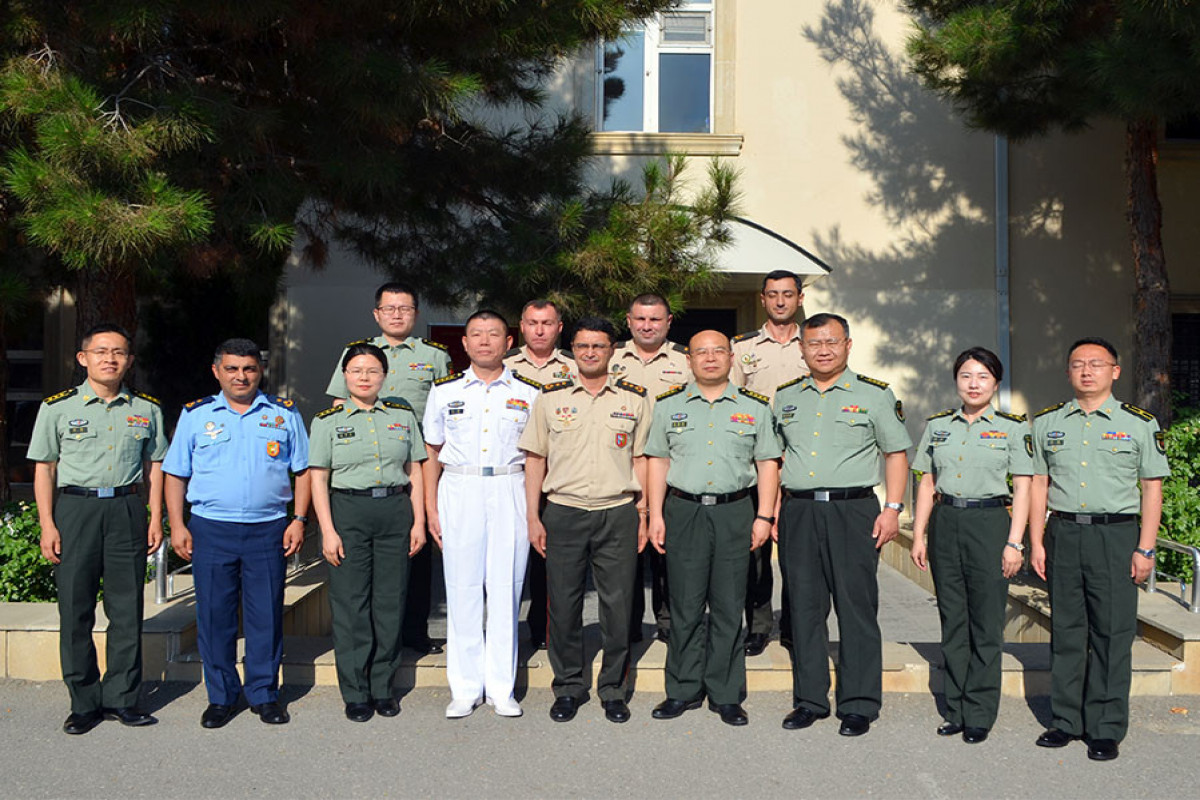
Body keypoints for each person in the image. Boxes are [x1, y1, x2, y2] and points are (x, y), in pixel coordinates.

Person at [1028, 337, 1168, 762]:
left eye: (1096, 364)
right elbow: (1039, 485)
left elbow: (1152, 487)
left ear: (1115, 371)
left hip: (1116, 536)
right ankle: (1066, 720)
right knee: (1068, 631)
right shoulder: (1049, 422)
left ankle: (1106, 727)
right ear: (1068, 372)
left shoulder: (1139, 424)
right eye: (1077, 364)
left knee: (1112, 633)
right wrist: (1036, 540)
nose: (1086, 371)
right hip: (1064, 533)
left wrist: (1145, 548)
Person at [773, 312, 912, 737]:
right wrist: (776, 509)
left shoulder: (874, 395)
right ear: (801, 349)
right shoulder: (785, 398)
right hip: (799, 510)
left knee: (856, 607)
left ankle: (858, 703)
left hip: (853, 511)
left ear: (848, 345)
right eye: (814, 343)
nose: (823, 350)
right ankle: (810, 700)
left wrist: (892, 508)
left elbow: (896, 454)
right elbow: (776, 459)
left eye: (832, 342)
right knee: (805, 609)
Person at [28, 324, 168, 735]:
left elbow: (155, 466)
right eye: (102, 351)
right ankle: (84, 702)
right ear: (82, 358)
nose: (110, 359)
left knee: (127, 610)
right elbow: (44, 468)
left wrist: (154, 516)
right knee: (75, 610)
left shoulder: (147, 409)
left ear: (129, 360)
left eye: (119, 352)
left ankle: (123, 699)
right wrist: (47, 523)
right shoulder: (57, 408)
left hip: (126, 507)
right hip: (75, 510)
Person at [164, 338, 310, 729]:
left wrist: (298, 519)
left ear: (259, 371)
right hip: (212, 528)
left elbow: (304, 471)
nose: (240, 376)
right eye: (232, 368)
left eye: (248, 369)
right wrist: (177, 525)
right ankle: (222, 696)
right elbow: (175, 473)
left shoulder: (283, 414)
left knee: (266, 615)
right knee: (214, 617)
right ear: (217, 372)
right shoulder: (196, 415)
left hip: (268, 529)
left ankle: (264, 694)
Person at [645, 330, 781, 727]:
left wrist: (765, 516)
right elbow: (657, 462)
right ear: (688, 359)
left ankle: (725, 693)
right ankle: (683, 689)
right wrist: (655, 515)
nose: (709, 358)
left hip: (734, 512)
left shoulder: (754, 407)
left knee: (728, 605)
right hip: (683, 511)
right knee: (684, 605)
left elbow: (767, 464)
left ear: (731, 357)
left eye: (717, 351)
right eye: (700, 352)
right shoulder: (669, 406)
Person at [519, 316, 651, 724]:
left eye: (598, 346)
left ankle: (613, 688)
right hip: (563, 511)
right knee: (563, 604)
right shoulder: (550, 398)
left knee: (618, 606)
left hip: (617, 511)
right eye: (582, 346)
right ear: (571, 350)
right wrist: (533, 518)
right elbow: (534, 459)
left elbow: (642, 459)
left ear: (613, 350)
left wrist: (643, 514)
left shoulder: (635, 398)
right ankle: (569, 686)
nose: (590, 353)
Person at [909, 347, 1032, 744]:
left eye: (982, 376)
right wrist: (920, 532)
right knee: (953, 618)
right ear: (956, 381)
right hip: (947, 522)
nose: (973, 383)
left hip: (990, 522)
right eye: (965, 375)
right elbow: (926, 482)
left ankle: (980, 711)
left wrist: (1015, 542)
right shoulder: (938, 426)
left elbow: (1024, 488)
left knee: (985, 620)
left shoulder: (1014, 427)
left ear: (996, 382)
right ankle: (956, 707)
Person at [422, 310, 541, 719]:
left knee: (506, 587)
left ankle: (502, 688)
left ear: (509, 342)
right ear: (465, 343)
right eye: (477, 334)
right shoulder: (444, 392)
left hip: (510, 486)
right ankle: (465, 687)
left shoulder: (529, 392)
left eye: (494, 334)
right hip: (459, 488)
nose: (485, 341)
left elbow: (536, 455)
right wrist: (430, 509)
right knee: (462, 587)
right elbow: (430, 453)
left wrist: (533, 511)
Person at [326, 281, 451, 656]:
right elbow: (337, 405)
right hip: (367, 463)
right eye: (390, 308)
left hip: (419, 461)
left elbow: (444, 408)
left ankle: (413, 630)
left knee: (418, 546)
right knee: (363, 562)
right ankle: (367, 638)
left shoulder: (433, 356)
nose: (397, 315)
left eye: (405, 309)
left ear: (416, 314)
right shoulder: (357, 353)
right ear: (377, 313)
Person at [309, 343, 427, 722]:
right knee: (351, 603)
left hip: (395, 511)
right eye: (357, 370)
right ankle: (356, 691)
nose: (364, 377)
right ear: (344, 376)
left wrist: (419, 521)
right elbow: (318, 478)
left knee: (390, 602)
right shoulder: (327, 421)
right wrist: (327, 530)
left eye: (372, 371)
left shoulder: (402, 417)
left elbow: (415, 470)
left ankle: (382, 687)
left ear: (384, 376)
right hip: (348, 511)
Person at [730, 269, 808, 656]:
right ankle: (758, 626)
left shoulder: (813, 345)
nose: (780, 301)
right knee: (755, 556)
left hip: (800, 463)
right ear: (762, 299)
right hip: (755, 463)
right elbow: (732, 402)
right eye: (773, 295)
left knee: (797, 554)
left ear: (800, 298)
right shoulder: (742, 347)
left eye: (788, 294)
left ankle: (794, 626)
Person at [611, 293, 692, 646]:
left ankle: (668, 622)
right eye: (640, 319)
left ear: (668, 322)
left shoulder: (686, 361)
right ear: (628, 321)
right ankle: (627, 625)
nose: (647, 326)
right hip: (619, 469)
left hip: (671, 471)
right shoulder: (610, 357)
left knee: (667, 554)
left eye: (655, 319)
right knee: (624, 557)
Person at [503, 299, 576, 651]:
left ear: (559, 327)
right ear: (522, 326)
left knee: (548, 561)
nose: (540, 330)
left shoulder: (575, 368)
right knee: (508, 561)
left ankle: (544, 631)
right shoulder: (503, 367)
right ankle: (504, 633)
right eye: (533, 323)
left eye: (547, 323)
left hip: (558, 479)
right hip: (511, 475)